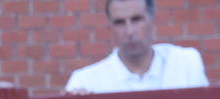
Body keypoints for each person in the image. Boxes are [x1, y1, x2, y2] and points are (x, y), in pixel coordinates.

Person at [65, 0, 207, 94]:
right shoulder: (85, 82)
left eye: (136, 19)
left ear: (152, 20)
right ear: (109, 28)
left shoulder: (186, 63)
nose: (129, 31)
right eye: (120, 22)